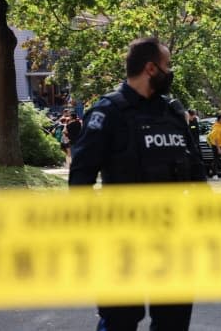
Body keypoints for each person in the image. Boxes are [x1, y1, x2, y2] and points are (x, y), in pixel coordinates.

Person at [69, 37, 206, 331]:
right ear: (150, 68)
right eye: (167, 66)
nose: (171, 72)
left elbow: (196, 171)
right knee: (120, 321)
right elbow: (80, 179)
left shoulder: (172, 113)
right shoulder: (108, 113)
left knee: (173, 321)